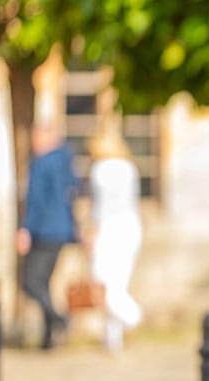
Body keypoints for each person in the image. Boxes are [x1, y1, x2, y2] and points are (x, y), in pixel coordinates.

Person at [16, 124, 77, 349]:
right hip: (61, 230)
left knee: (31, 282)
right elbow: (73, 191)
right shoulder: (65, 161)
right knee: (44, 283)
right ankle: (47, 339)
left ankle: (59, 319)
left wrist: (26, 229)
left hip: (43, 230)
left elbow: (36, 200)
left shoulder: (41, 162)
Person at [84, 132, 144, 352]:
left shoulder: (100, 171)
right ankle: (112, 339)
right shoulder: (129, 168)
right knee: (118, 283)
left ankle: (133, 316)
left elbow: (100, 209)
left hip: (109, 230)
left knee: (105, 284)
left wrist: (91, 235)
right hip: (131, 228)